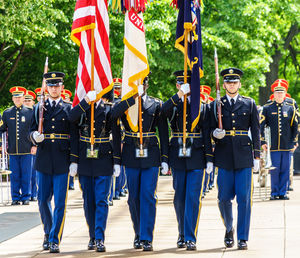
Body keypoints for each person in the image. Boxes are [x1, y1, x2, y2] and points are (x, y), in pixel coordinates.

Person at [111, 74, 169, 251]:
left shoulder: (156, 104)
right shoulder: (125, 104)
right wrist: (130, 99)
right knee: (133, 198)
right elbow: (113, 115)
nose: (139, 86)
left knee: (148, 196)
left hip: (151, 153)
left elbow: (164, 132)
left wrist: (165, 158)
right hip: (130, 153)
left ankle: (146, 237)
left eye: (141, 83)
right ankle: (138, 232)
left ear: (146, 85)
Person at [161, 71, 213, 250]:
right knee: (179, 198)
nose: (185, 86)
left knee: (193, 197)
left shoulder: (202, 106)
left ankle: (191, 236)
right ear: (177, 85)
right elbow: (162, 113)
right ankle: (181, 233)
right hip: (177, 154)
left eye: (188, 84)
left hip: (197, 154)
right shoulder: (174, 104)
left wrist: (209, 159)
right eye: (181, 84)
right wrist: (179, 96)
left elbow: (206, 133)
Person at [210, 68, 260, 250]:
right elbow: (209, 127)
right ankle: (229, 227)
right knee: (223, 198)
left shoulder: (249, 103)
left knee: (244, 199)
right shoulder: (216, 104)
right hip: (223, 156)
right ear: (223, 85)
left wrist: (257, 156)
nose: (232, 85)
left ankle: (242, 237)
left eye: (235, 82)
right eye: (228, 82)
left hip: (244, 156)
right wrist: (214, 134)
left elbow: (255, 130)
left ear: (239, 84)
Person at [69, 87, 120, 252]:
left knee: (101, 200)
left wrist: (117, 161)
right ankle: (92, 235)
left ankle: (99, 237)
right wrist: (74, 160)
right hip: (85, 159)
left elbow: (117, 135)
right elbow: (71, 119)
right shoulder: (82, 108)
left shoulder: (108, 109)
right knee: (88, 201)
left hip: (104, 158)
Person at [30, 72, 76, 253]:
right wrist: (34, 137)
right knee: (42, 200)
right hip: (43, 159)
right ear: (46, 88)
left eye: (57, 86)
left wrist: (74, 160)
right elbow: (31, 131)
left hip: (62, 160)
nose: (54, 88)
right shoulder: (38, 108)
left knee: (61, 203)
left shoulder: (69, 108)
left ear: (62, 88)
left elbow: (74, 137)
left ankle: (55, 238)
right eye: (51, 86)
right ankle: (48, 232)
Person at [260, 79, 298, 200]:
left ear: (285, 94)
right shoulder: (267, 108)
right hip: (273, 146)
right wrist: (262, 141)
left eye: (281, 93)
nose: (279, 95)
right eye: (277, 93)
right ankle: (274, 192)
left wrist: (295, 141)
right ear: (274, 94)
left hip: (287, 145)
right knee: (274, 170)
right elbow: (260, 126)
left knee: (285, 169)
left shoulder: (290, 108)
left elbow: (295, 127)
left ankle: (283, 192)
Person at [0, 86, 33, 205]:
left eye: (19, 97)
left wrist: (34, 145)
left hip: (27, 149)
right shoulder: (7, 113)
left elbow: (33, 130)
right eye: (15, 97)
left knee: (26, 174)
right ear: (12, 98)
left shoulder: (30, 112)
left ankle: (25, 197)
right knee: (14, 175)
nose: (17, 99)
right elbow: (2, 129)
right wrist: (1, 145)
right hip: (13, 150)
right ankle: (15, 197)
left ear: (23, 98)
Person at [24, 90, 38, 201]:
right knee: (27, 173)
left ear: (33, 102)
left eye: (29, 100)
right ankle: (28, 194)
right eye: (25, 100)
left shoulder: (35, 112)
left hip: (34, 146)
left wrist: (35, 144)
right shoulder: (21, 113)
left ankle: (34, 193)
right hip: (24, 147)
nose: (27, 102)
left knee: (34, 173)